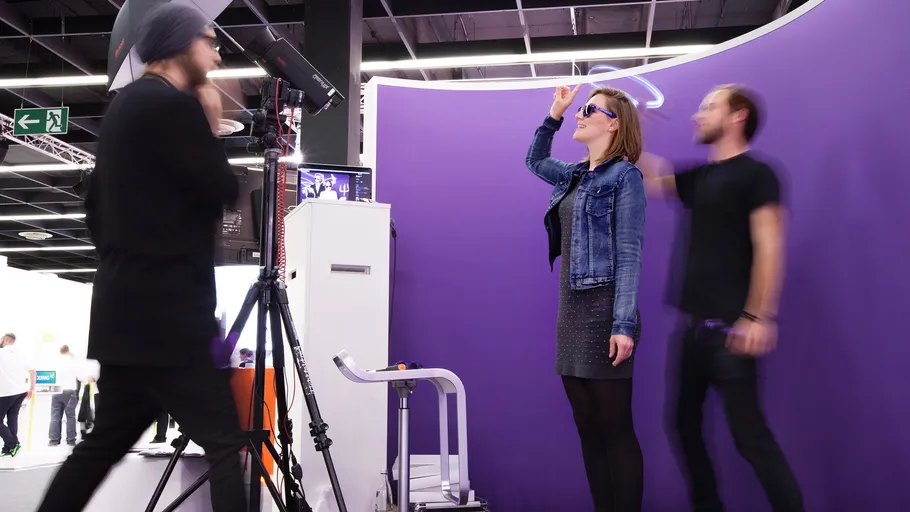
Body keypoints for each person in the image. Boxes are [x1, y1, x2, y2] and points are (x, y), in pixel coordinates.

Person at [35, 4, 247, 512]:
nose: (216, 56)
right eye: (210, 42)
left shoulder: (123, 111)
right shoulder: (174, 108)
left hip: (123, 314)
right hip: (170, 319)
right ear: (181, 43)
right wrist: (212, 122)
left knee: (102, 444)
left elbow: (95, 213)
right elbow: (221, 189)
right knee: (224, 445)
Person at [639, 84, 804, 511]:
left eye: (709, 106)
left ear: (738, 116)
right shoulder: (702, 177)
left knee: (751, 439)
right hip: (692, 333)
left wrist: (759, 315)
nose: (698, 114)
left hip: (733, 330)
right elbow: (653, 179)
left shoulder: (757, 174)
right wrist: (632, 131)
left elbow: (770, 244)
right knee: (683, 428)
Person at [525, 83, 647, 512]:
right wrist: (554, 113)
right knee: (587, 428)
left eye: (589, 109)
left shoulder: (625, 176)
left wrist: (623, 325)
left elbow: (630, 255)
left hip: (605, 312)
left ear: (613, 125)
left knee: (615, 428)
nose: (580, 114)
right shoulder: (575, 175)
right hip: (571, 312)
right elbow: (535, 159)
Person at [0, 333, 36, 457]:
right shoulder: (21, 353)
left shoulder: (1, 352)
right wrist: (32, 388)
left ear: (4, 339)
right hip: (21, 391)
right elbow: (32, 371)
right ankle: (8, 449)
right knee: (12, 417)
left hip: (6, 392)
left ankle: (14, 444)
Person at [48, 345, 79, 447]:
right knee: (70, 416)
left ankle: (54, 440)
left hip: (57, 390)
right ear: (68, 351)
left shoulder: (55, 360)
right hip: (69, 390)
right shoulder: (72, 361)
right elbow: (80, 375)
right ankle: (71, 440)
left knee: (55, 416)